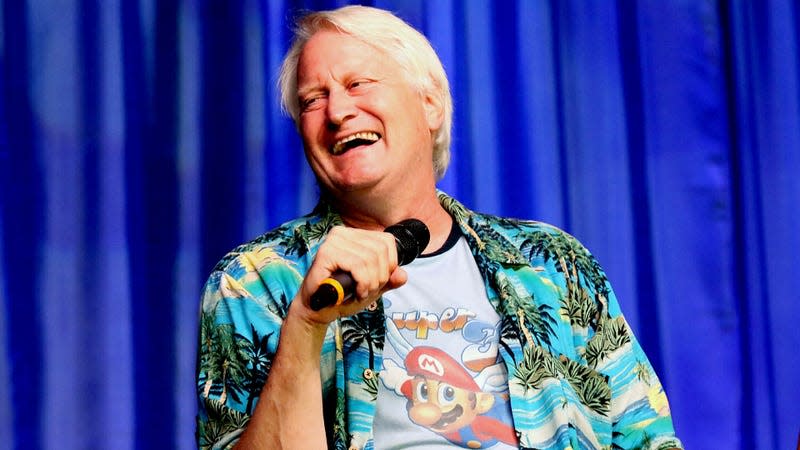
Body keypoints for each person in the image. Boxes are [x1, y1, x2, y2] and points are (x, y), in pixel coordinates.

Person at [195, 5, 683, 450]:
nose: (338, 113)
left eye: (358, 84)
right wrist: (306, 323)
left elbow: (649, 439)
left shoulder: (554, 264)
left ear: (429, 104)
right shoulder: (254, 282)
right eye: (312, 100)